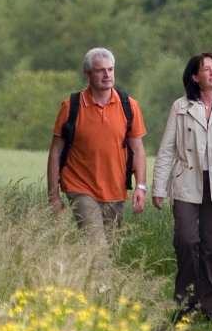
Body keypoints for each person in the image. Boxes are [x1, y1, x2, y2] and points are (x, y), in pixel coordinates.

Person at [151, 52, 212, 321]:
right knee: (186, 240)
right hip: (186, 181)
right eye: (206, 69)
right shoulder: (180, 107)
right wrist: (158, 188)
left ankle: (211, 305)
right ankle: (185, 301)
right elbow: (167, 149)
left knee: (211, 244)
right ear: (195, 77)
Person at [47, 47, 147, 251]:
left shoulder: (130, 106)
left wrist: (141, 186)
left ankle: (92, 283)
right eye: (100, 70)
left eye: (110, 69)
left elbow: (138, 149)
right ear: (88, 75)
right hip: (80, 187)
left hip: (116, 190)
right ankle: (97, 281)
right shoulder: (71, 106)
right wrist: (54, 196)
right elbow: (55, 153)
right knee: (97, 248)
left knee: (109, 251)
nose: (107, 75)